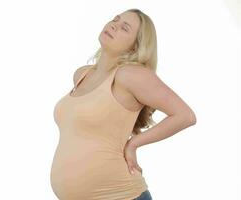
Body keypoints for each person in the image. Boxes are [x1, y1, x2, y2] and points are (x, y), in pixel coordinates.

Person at [50, 8, 197, 200]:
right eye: (115, 20)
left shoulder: (130, 75)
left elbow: (185, 116)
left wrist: (133, 143)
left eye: (124, 28)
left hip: (121, 195)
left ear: (135, 47)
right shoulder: (82, 75)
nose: (113, 25)